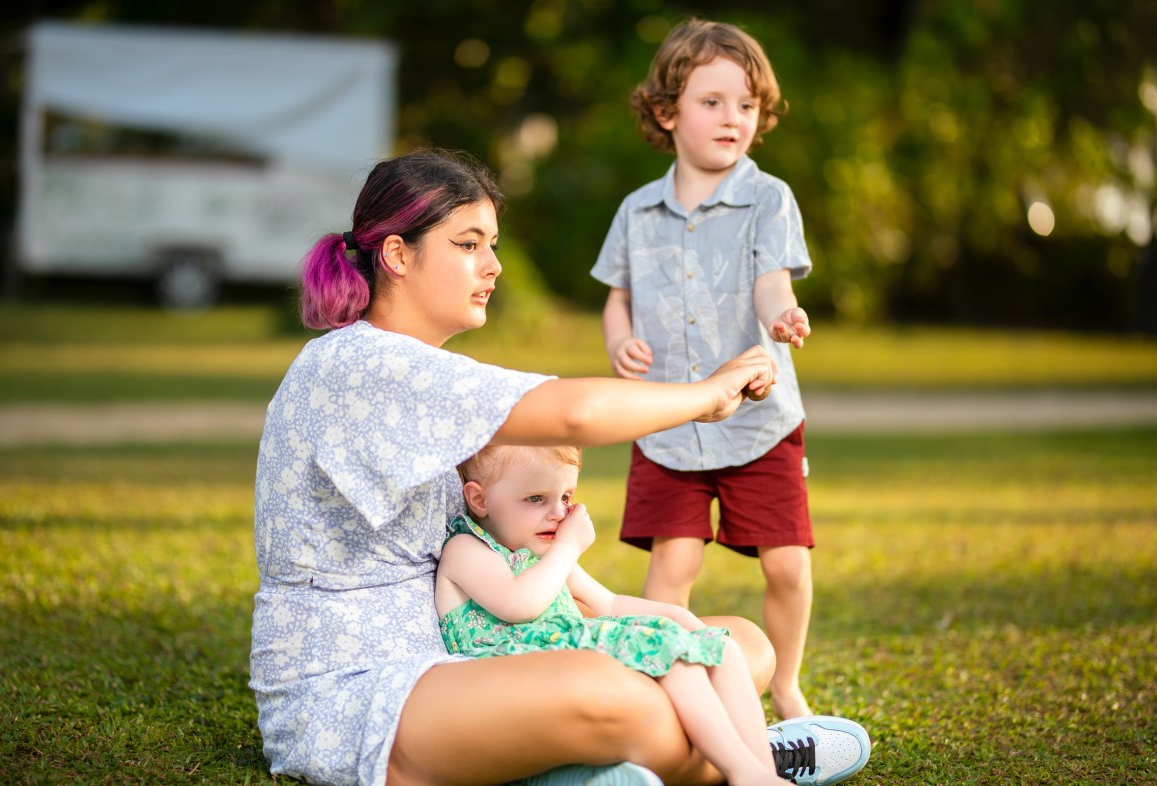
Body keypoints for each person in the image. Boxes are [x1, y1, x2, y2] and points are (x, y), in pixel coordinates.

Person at [250, 148, 870, 786]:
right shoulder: (358, 365)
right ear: (398, 256)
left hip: (472, 657)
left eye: (493, 244)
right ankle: (743, 757)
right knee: (616, 694)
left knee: (744, 646)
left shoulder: (413, 367)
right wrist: (706, 395)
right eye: (469, 244)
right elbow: (574, 415)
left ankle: (655, 761)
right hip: (362, 688)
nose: (493, 267)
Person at [590, 18, 817, 721]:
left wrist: (783, 315)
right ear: (667, 112)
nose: (732, 118)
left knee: (787, 564)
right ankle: (664, 694)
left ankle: (783, 685)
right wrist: (619, 340)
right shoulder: (637, 210)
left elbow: (771, 281)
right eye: (712, 102)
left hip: (757, 420)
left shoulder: (769, 198)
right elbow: (616, 299)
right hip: (669, 419)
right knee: (674, 564)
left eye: (746, 105)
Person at [438, 443, 862, 786]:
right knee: (673, 656)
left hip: (561, 659)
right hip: (508, 680)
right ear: (479, 499)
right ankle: (741, 771)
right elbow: (519, 605)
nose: (558, 513)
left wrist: (676, 615)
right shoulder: (468, 550)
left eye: (566, 497)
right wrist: (567, 549)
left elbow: (607, 603)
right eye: (535, 499)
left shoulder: (539, 549)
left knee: (718, 649)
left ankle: (759, 766)